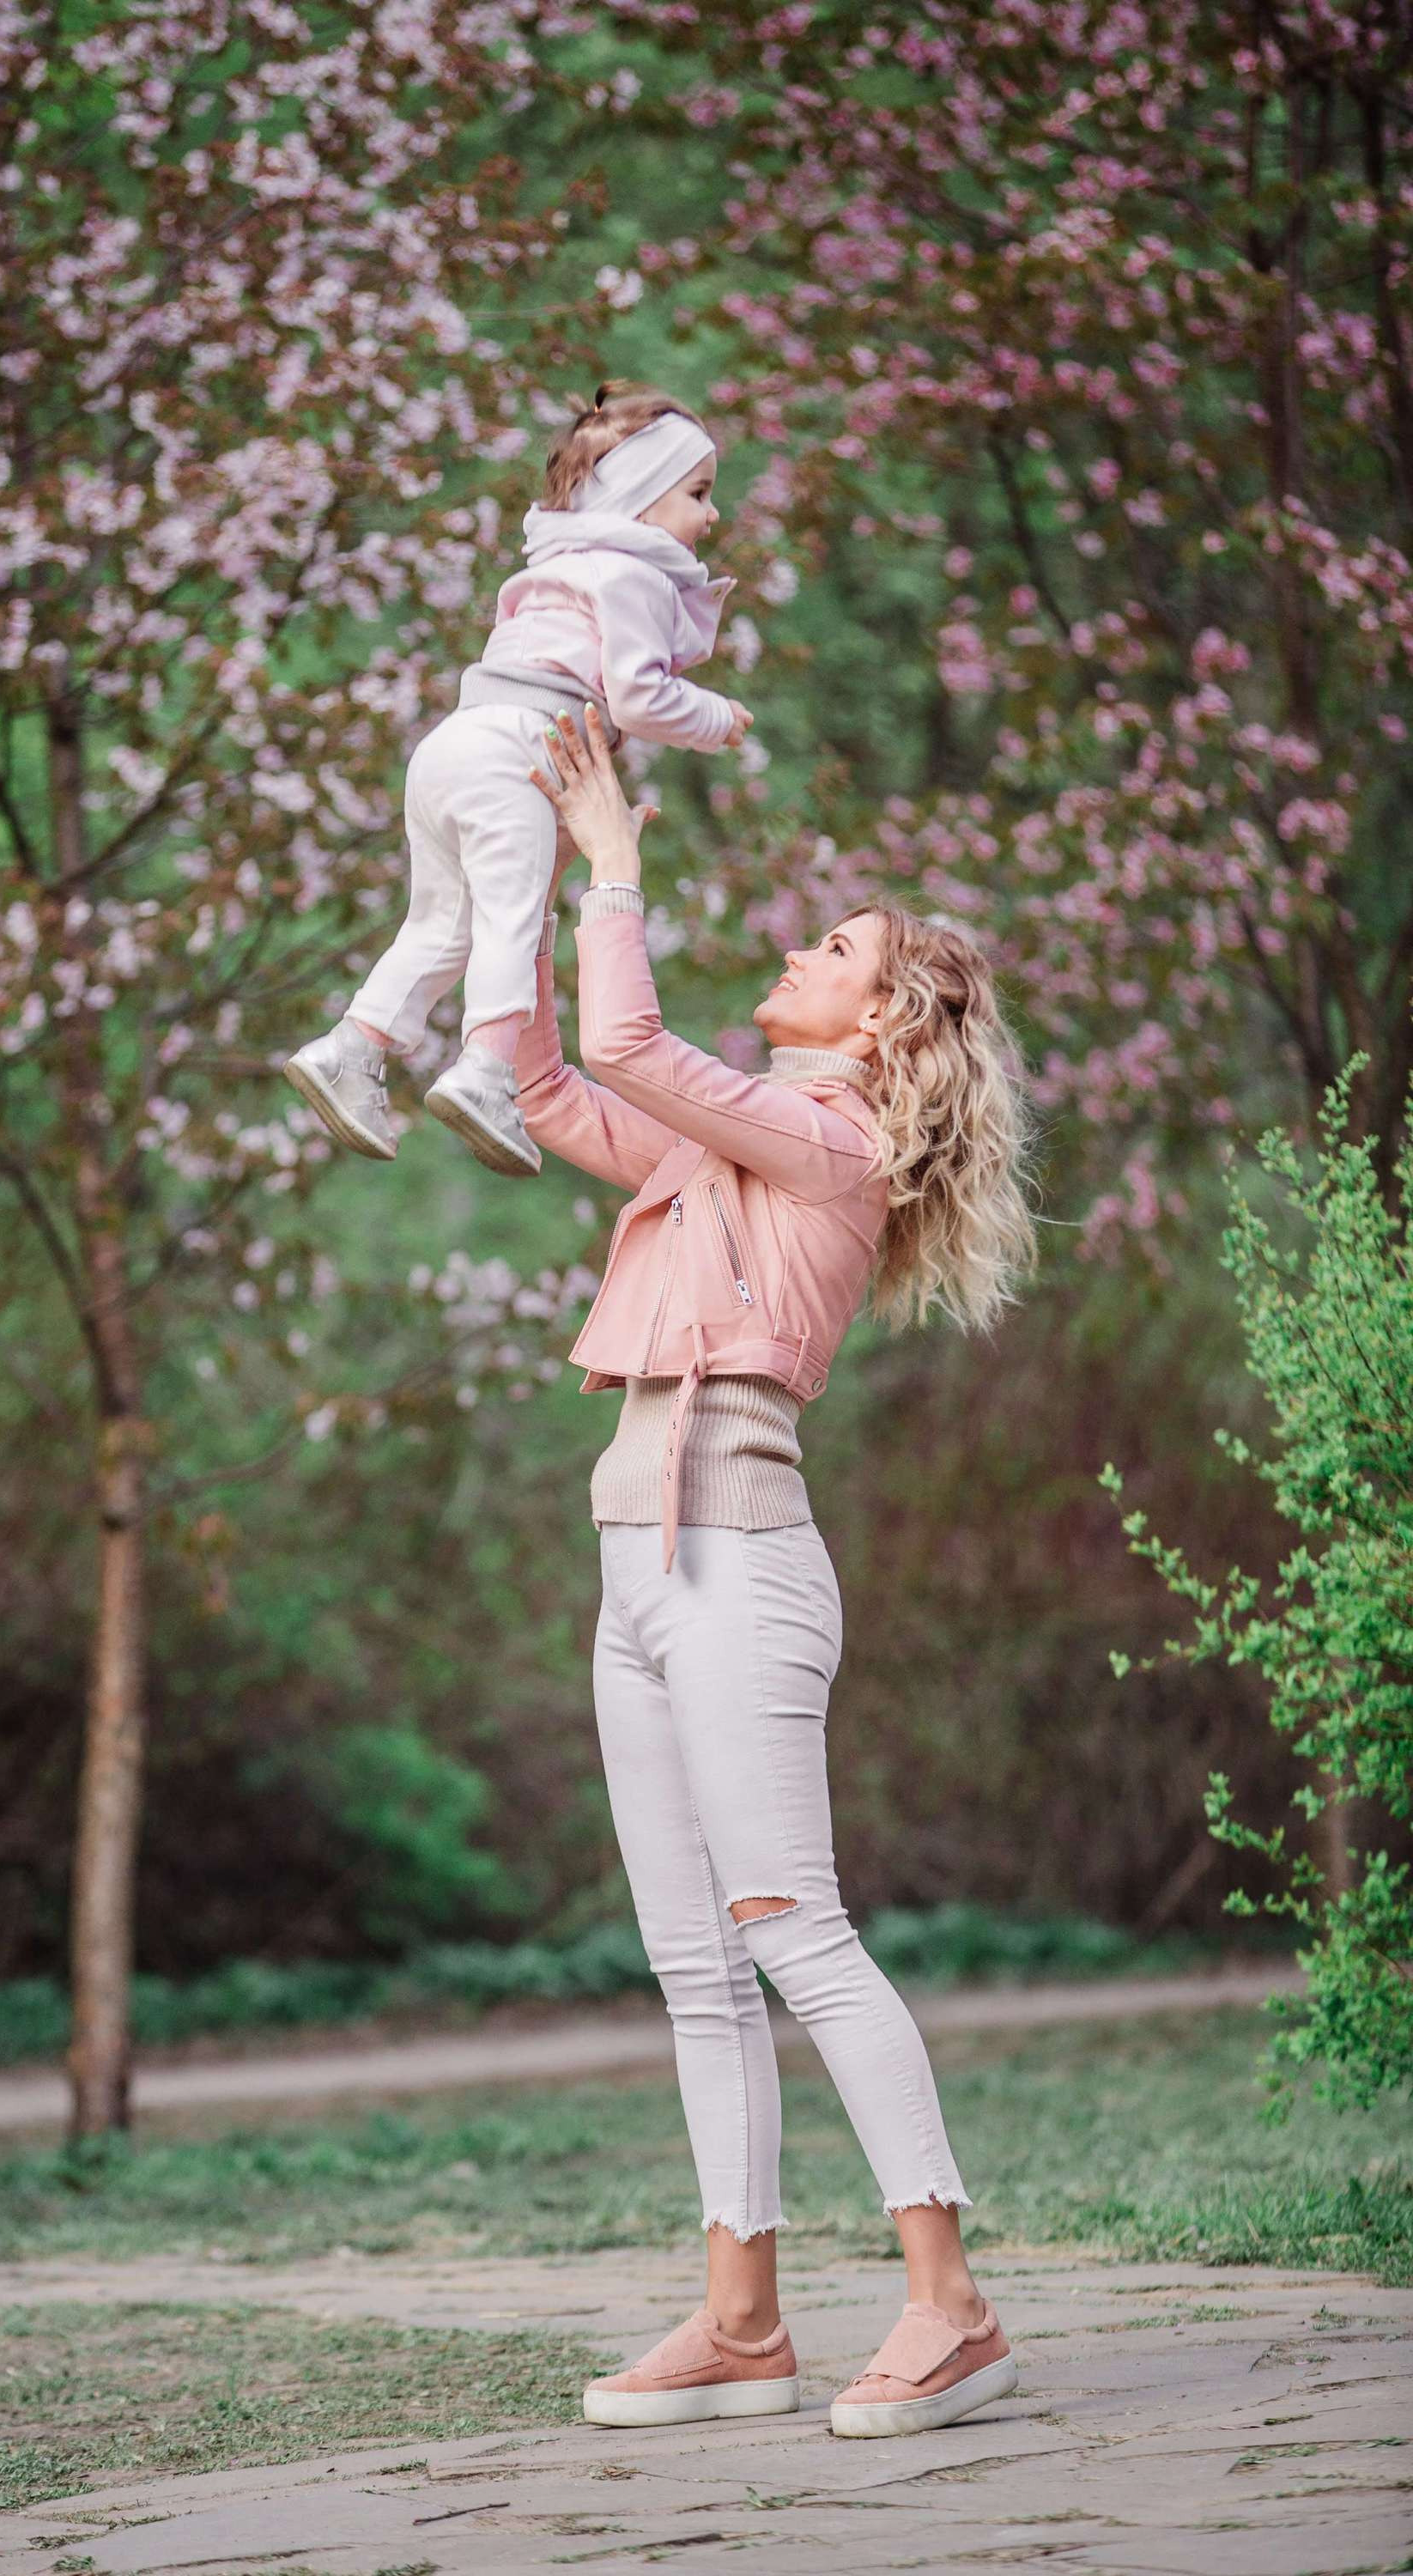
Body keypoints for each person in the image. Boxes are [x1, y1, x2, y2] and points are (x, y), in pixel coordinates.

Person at [521, 706, 1037, 2441]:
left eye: (835, 947)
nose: (800, 949)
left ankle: (946, 2304)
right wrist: (507, 869)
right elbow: (539, 1083)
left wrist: (618, 866)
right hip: (632, 1574)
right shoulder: (711, 1145)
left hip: (744, 1565)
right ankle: (742, 2323)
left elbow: (632, 1034)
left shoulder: (827, 1148)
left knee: (789, 1930)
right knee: (692, 1963)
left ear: (877, 1019)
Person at [283, 382, 753, 1180]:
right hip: (519, 748)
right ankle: (487, 1072)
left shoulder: (553, 570)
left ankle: (351, 1050)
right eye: (699, 494)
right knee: (511, 913)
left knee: (441, 923)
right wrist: (713, 718)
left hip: (452, 744)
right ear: (640, 499)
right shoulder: (630, 574)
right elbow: (637, 693)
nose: (712, 516)